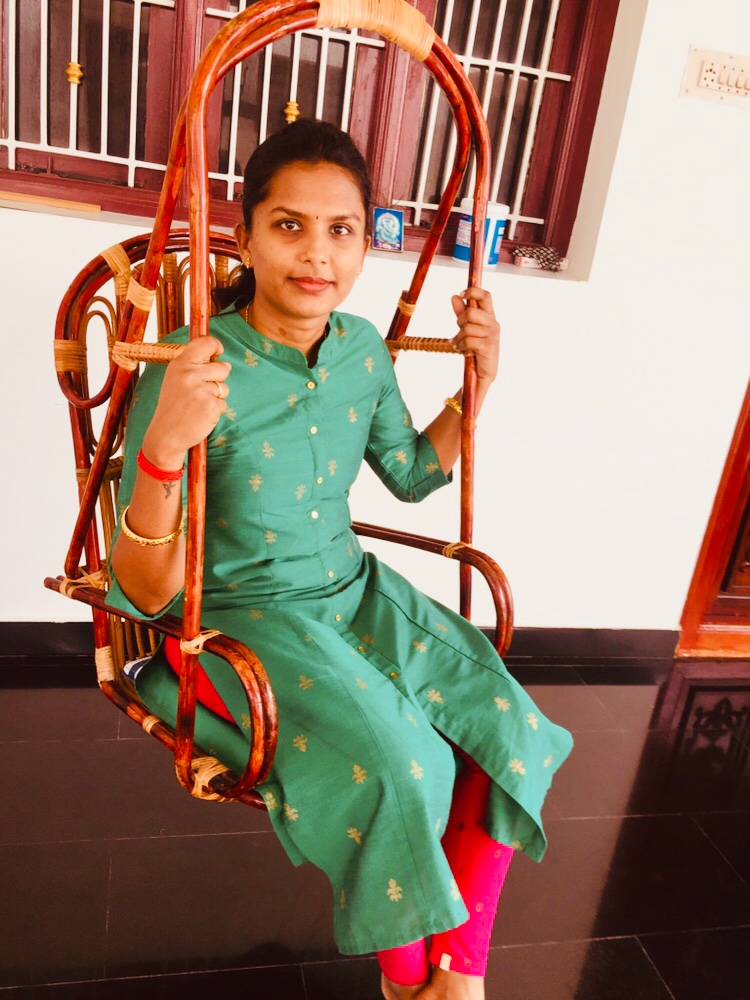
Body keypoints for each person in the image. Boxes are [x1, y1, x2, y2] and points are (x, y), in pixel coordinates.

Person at [108, 118, 573, 1000]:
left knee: (508, 725)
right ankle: (411, 983)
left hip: (355, 595)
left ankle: (458, 974)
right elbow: (144, 588)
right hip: (240, 617)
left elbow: (414, 475)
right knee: (406, 767)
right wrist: (165, 447)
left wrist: (475, 389)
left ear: (365, 244)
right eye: (289, 225)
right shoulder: (193, 367)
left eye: (342, 229)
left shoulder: (360, 348)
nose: (316, 253)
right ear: (246, 236)